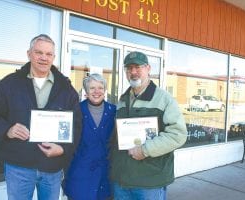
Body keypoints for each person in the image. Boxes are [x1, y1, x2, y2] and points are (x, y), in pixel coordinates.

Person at [0, 34, 81, 200]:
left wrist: (63, 149)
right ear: (29, 54)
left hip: (52, 168)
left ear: (54, 57)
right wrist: (7, 129)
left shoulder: (66, 89)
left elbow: (77, 126)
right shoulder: (10, 83)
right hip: (18, 166)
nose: (43, 58)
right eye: (39, 52)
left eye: (48, 54)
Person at [110, 51, 188, 200]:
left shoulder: (164, 99)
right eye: (129, 68)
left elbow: (178, 135)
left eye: (138, 67)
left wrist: (145, 150)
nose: (133, 72)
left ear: (148, 68)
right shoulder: (122, 100)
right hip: (122, 180)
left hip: (150, 182)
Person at [63, 73, 116, 200]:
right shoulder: (76, 110)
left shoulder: (114, 111)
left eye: (100, 88)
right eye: (92, 88)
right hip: (80, 171)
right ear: (86, 91)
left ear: (105, 90)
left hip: (106, 172)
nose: (96, 91)